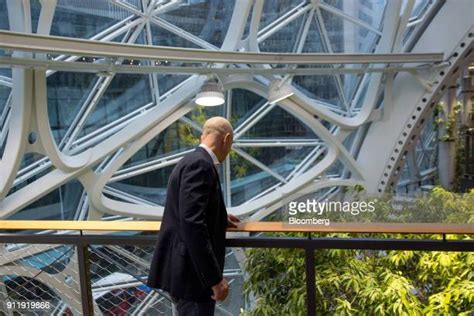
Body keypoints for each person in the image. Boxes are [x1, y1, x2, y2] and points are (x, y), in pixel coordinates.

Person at [147, 116, 241, 315]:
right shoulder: (201, 165)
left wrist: (219, 218)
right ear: (226, 139)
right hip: (193, 278)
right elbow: (192, 223)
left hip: (186, 274)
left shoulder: (190, 160)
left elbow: (190, 211)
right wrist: (214, 279)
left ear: (203, 135)